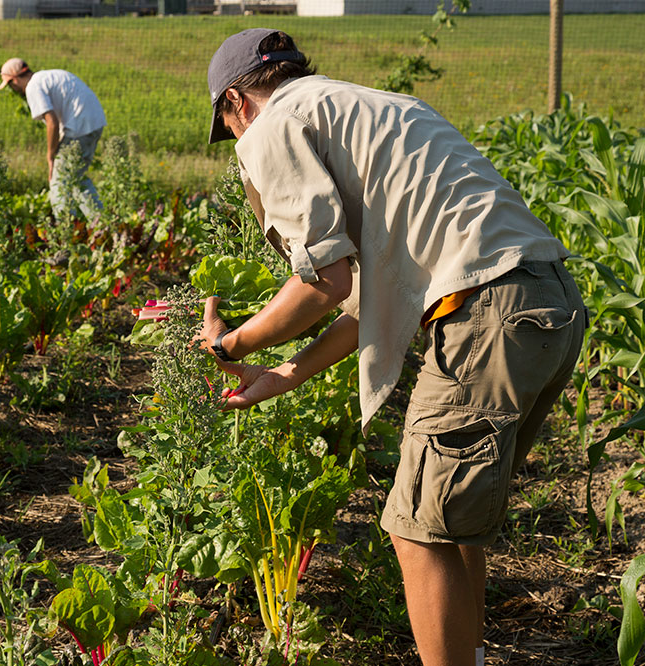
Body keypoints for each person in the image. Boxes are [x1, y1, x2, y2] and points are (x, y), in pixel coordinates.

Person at [198, 28, 586, 666]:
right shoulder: (376, 108)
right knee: (453, 523)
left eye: (230, 127)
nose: (239, 143)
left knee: (416, 532)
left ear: (238, 103)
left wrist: (229, 341)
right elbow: (362, 304)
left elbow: (325, 282)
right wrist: (285, 373)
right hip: (548, 304)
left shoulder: (272, 128)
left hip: (485, 314)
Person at [0, 57, 106, 220]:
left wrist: (51, 156)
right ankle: (102, 223)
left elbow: (52, 123)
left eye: (10, 84)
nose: (13, 88)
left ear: (16, 79)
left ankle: (65, 231)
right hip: (94, 123)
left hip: (79, 127)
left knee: (58, 182)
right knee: (76, 179)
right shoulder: (47, 77)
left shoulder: (33, 86)